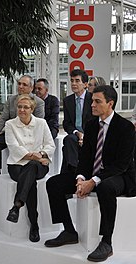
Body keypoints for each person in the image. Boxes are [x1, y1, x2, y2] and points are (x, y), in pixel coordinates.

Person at [44, 85, 136, 262]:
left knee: (105, 187)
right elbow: (85, 158)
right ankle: (69, 231)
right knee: (53, 183)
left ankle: (107, 242)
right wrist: (80, 179)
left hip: (120, 176)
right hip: (94, 173)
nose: (92, 104)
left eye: (97, 101)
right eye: (92, 100)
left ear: (110, 103)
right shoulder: (91, 124)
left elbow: (122, 165)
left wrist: (92, 181)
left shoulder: (125, 127)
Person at [5, 94, 55, 242]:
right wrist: (37, 156)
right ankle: (34, 224)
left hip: (38, 165)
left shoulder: (41, 123)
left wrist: (40, 155)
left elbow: (50, 145)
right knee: (30, 180)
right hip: (17, 165)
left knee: (32, 168)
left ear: (32, 109)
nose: (22, 110)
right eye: (19, 107)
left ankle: (17, 206)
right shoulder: (10, 124)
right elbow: (14, 147)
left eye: (26, 107)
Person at [0, 75, 44, 188]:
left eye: (24, 84)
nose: (20, 87)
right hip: (11, 132)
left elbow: (39, 124)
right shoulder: (11, 99)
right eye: (19, 84)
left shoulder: (39, 102)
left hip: (29, 136)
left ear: (31, 88)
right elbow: (3, 118)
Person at [60, 69, 93, 174]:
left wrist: (84, 136)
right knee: (69, 139)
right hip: (75, 134)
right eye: (72, 80)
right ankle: (75, 170)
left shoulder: (92, 99)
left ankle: (69, 172)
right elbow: (67, 123)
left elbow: (96, 121)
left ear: (85, 84)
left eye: (77, 81)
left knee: (67, 147)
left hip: (90, 134)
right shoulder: (67, 100)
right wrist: (77, 133)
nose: (73, 83)